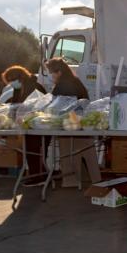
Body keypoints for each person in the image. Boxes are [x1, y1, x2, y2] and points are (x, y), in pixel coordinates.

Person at [44, 57, 97, 187]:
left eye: (51, 72)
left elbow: (57, 108)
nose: (50, 76)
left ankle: (71, 181)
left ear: (58, 72)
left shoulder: (62, 85)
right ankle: (94, 179)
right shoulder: (75, 81)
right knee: (87, 153)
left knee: (68, 152)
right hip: (81, 124)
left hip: (69, 125)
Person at [1, 65, 47, 177]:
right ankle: (35, 175)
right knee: (29, 151)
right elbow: (15, 106)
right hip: (27, 126)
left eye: (11, 81)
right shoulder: (18, 88)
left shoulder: (35, 86)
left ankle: (38, 176)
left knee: (35, 151)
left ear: (20, 78)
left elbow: (38, 106)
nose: (10, 84)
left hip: (38, 125)